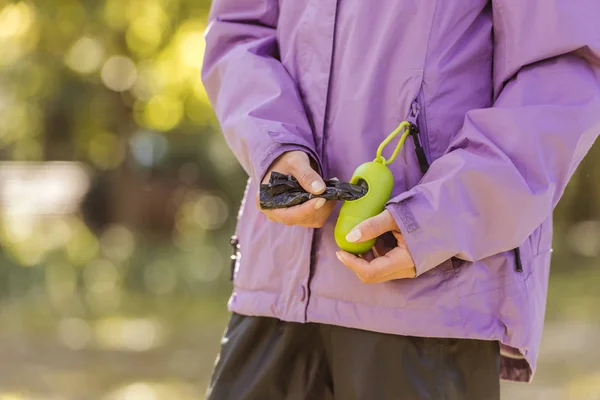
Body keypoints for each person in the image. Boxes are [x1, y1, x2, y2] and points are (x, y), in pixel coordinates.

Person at [201, 0, 600, 398]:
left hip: (430, 298)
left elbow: (561, 72)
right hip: (274, 289)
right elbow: (240, 29)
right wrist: (274, 145)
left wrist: (440, 216)